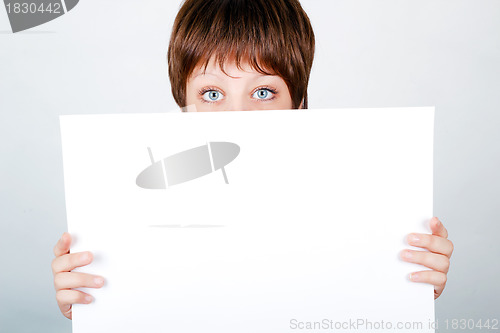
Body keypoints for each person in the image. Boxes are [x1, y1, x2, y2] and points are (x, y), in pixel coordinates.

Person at [51, 0, 454, 320]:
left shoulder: (359, 203)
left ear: (297, 101)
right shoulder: (135, 214)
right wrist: (91, 305)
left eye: (263, 92)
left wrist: (409, 289)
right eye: (212, 94)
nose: (237, 117)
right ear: (183, 104)